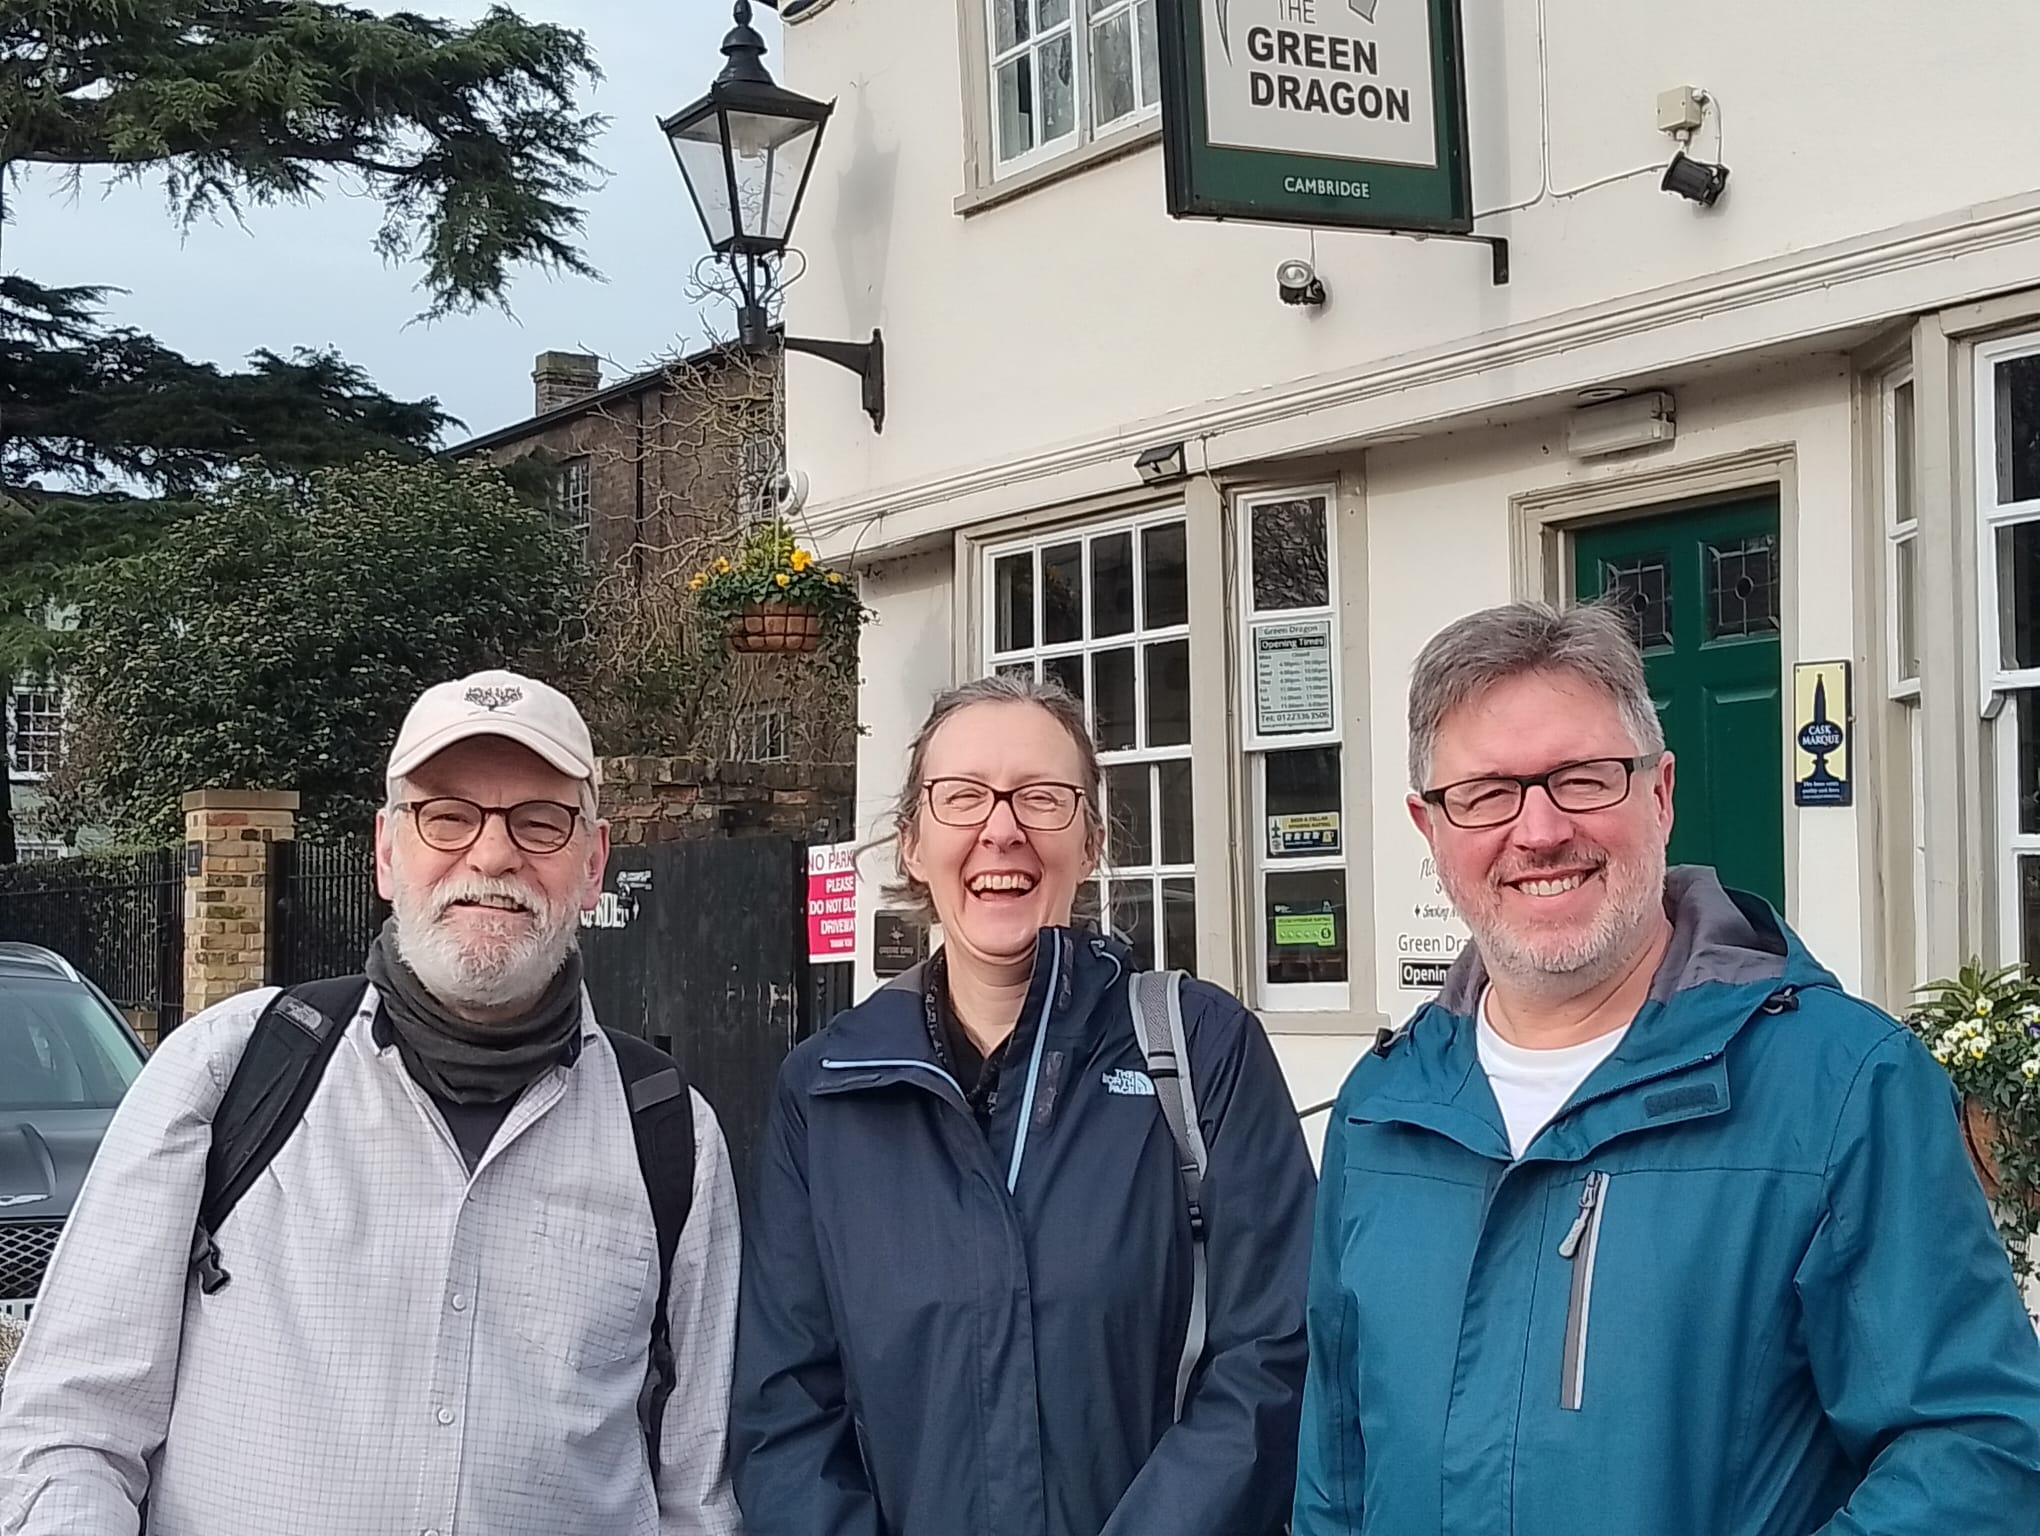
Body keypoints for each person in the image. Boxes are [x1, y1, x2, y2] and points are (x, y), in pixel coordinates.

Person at [1294, 601, 2040, 1535]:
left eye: (1584, 779)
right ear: (1430, 827)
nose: (1538, 831)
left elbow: (1975, 1448)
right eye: (1486, 793)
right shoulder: (1382, 1109)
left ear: (1660, 792)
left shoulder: (1844, 1088)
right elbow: (1335, 1469)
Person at [0, 670, 742, 1536]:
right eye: (447, 816)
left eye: (540, 821)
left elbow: (698, 1490)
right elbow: (71, 1432)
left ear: (593, 863)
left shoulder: (669, 1137)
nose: (493, 856)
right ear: (388, 851)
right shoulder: (232, 1070)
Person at [732, 673, 1316, 1536]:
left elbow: (1270, 1360)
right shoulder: (825, 1091)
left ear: (1091, 842)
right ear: (910, 843)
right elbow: (785, 1410)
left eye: (1042, 798)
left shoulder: (1200, 1052)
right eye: (963, 797)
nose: (1001, 831)